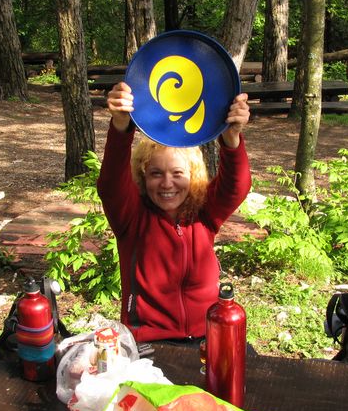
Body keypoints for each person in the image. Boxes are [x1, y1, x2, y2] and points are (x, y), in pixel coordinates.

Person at [97, 81, 251, 343]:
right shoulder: (131, 217)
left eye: (178, 173)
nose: (167, 184)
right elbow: (111, 183)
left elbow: (237, 186)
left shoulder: (203, 213)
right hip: (149, 340)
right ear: (143, 177)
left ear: (193, 176)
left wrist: (231, 137)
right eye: (156, 173)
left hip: (208, 334)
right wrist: (121, 126)